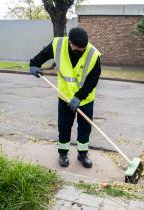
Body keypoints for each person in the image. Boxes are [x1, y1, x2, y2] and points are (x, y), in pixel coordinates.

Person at [29, 27, 101, 169]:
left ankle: (83, 154)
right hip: (65, 97)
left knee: (85, 128)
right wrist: (33, 64)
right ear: (70, 42)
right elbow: (42, 56)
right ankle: (63, 154)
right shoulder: (58, 45)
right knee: (64, 126)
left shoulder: (93, 54)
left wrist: (80, 97)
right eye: (78, 48)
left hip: (85, 99)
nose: (81, 51)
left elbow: (93, 80)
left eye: (83, 48)